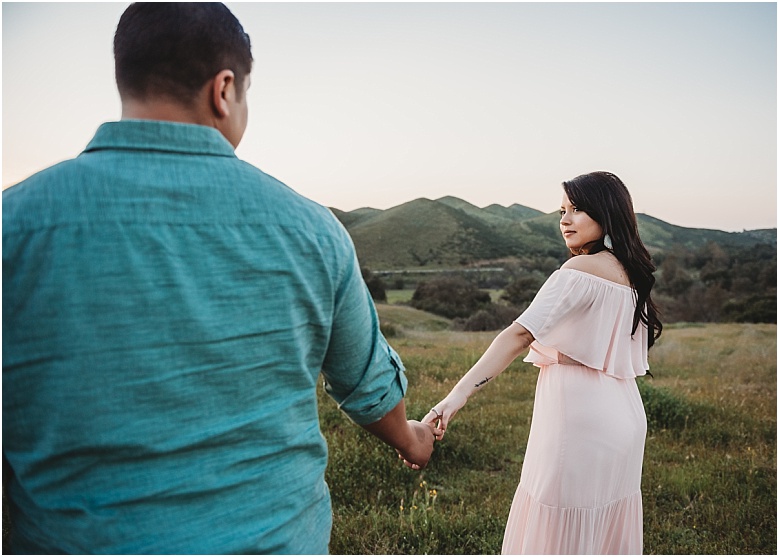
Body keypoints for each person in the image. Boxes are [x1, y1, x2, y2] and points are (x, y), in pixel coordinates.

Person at [2, 3, 437, 553]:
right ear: (224, 89)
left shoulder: (13, 223)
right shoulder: (311, 230)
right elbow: (369, 388)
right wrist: (413, 441)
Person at [423, 171, 662, 554]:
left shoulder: (577, 272)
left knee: (558, 529)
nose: (565, 220)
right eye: (562, 211)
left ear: (606, 213)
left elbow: (519, 335)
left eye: (577, 209)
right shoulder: (631, 275)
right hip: (626, 418)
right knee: (599, 528)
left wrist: (456, 397)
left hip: (580, 420)